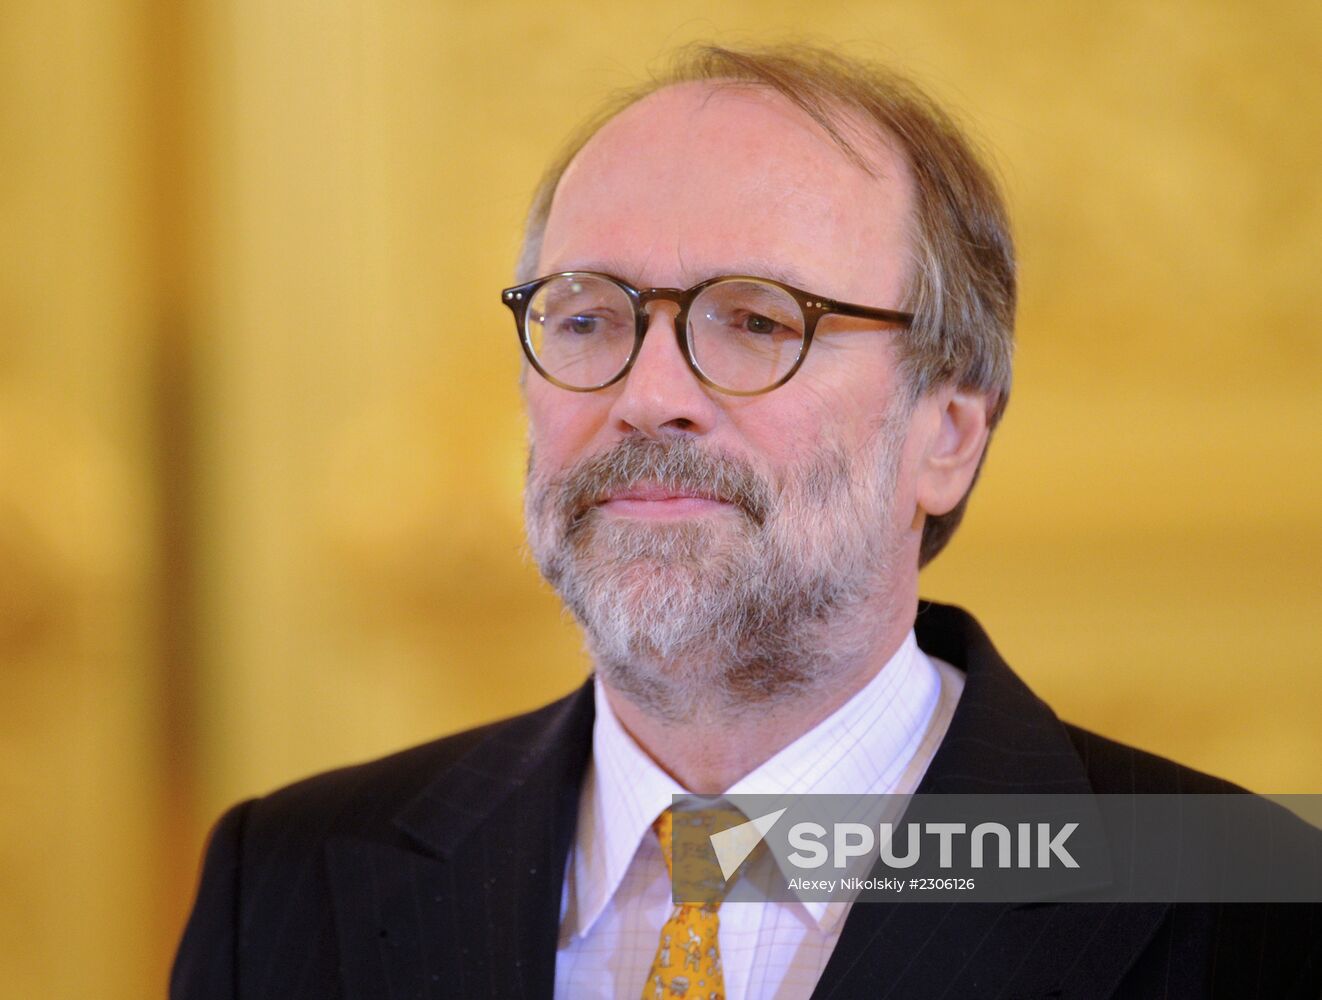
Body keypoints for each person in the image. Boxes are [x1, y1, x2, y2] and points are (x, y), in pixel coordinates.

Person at [172, 44, 1322, 999]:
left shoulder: (1244, 905)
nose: (645, 393)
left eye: (756, 321)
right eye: (584, 319)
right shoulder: (288, 882)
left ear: (947, 430)